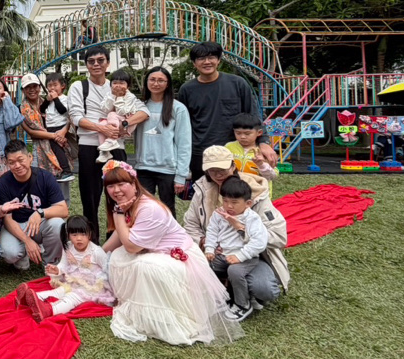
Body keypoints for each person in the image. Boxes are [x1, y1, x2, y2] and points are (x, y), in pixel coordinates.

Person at [102, 161, 241, 346]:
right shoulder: (128, 204)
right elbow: (120, 236)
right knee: (118, 256)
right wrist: (96, 255)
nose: (116, 190)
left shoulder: (148, 208)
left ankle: (171, 316)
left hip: (181, 260)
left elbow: (131, 247)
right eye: (111, 186)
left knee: (142, 265)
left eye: (121, 184)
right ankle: (138, 303)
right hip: (157, 252)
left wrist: (118, 214)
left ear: (134, 184)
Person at [182, 146, 290, 307]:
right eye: (212, 171)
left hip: (249, 255)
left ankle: (240, 293)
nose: (218, 175)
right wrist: (204, 242)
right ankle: (229, 288)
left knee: (265, 290)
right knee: (182, 272)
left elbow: (279, 236)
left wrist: (242, 231)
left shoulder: (254, 191)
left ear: (233, 166)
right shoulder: (202, 189)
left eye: (222, 169)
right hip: (215, 253)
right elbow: (190, 224)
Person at [68, 46, 149, 236]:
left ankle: (117, 238)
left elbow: (143, 111)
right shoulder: (79, 87)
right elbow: (76, 117)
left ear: (108, 63)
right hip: (89, 146)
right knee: (90, 197)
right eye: (91, 61)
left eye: (100, 60)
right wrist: (102, 128)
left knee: (120, 195)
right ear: (86, 65)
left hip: (116, 147)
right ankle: (92, 241)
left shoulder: (117, 84)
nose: (96, 64)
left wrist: (124, 125)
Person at [176, 41, 276, 182]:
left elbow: (253, 115)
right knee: (204, 191)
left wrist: (264, 142)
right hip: (200, 152)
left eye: (211, 57)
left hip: (234, 150)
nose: (207, 62)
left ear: (219, 60)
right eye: (201, 58)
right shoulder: (187, 89)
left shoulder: (237, 83)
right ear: (194, 63)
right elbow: (182, 125)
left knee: (235, 190)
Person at [18, 214, 115, 321]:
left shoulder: (96, 251)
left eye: (83, 234)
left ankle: (50, 310)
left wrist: (114, 292)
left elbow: (108, 270)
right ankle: (29, 299)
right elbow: (63, 264)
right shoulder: (68, 247)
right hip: (74, 282)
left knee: (71, 298)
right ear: (68, 235)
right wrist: (57, 270)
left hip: (91, 288)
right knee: (58, 291)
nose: (79, 238)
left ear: (89, 234)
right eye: (74, 234)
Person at [203, 176, 269, 321]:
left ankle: (243, 304)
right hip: (223, 255)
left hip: (246, 258)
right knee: (204, 266)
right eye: (225, 201)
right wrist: (209, 249)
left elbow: (259, 242)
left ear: (248, 203)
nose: (229, 206)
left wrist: (240, 256)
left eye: (234, 202)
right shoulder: (219, 214)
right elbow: (212, 231)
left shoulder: (252, 218)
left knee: (235, 271)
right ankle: (220, 298)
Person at [0, 140, 70, 269]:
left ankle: (51, 263)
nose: (17, 165)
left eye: (21, 160)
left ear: (30, 157)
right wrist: (27, 241)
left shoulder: (45, 177)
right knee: (10, 253)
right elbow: (7, 219)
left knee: (58, 224)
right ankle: (24, 253)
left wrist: (40, 213)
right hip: (17, 224)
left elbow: (63, 210)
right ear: (6, 163)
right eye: (12, 162)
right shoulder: (3, 182)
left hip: (40, 223)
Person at [133, 66, 191, 217]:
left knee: (167, 209)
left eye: (161, 80)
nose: (156, 83)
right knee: (143, 209)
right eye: (152, 79)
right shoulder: (139, 107)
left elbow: (184, 143)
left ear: (167, 83)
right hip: (143, 168)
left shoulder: (178, 108)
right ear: (146, 82)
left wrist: (181, 175)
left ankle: (171, 233)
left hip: (168, 169)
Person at [20, 73, 73, 182]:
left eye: (35, 86)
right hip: (40, 147)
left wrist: (63, 131)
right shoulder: (21, 109)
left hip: (60, 142)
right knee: (41, 181)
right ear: (23, 90)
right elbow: (32, 132)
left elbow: (69, 117)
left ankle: (66, 174)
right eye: (28, 87)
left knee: (61, 182)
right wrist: (55, 136)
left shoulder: (48, 101)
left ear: (39, 87)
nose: (32, 90)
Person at [97, 69, 146, 163]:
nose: (118, 86)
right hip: (114, 121)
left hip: (127, 123)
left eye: (122, 83)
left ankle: (111, 140)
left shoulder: (130, 97)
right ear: (110, 85)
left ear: (128, 86)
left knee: (112, 114)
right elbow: (105, 109)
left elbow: (121, 112)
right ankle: (104, 152)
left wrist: (119, 97)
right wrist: (112, 97)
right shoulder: (109, 94)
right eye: (115, 83)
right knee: (101, 125)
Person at [226, 113, 278, 188]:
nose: (242, 137)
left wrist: (261, 165)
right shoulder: (228, 147)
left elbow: (272, 176)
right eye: (238, 133)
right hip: (234, 190)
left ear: (259, 133)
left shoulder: (264, 151)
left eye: (247, 133)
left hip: (258, 191)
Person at [41, 72, 76, 180]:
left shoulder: (65, 98)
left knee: (58, 149)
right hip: (50, 128)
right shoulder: (48, 99)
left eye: (55, 85)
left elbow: (62, 110)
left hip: (60, 127)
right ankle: (61, 170)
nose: (52, 88)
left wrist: (56, 99)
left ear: (62, 86)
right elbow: (41, 109)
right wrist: (47, 100)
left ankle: (67, 170)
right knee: (54, 150)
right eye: (49, 85)